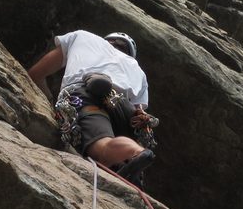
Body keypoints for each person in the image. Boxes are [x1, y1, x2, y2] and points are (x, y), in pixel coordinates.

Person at [27, 30, 158, 184]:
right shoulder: (138, 70)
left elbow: (35, 74)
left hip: (86, 92)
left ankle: (132, 152)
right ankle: (135, 153)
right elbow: (139, 116)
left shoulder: (82, 36)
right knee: (118, 147)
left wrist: (49, 101)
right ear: (129, 52)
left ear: (107, 40)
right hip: (123, 105)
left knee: (102, 149)